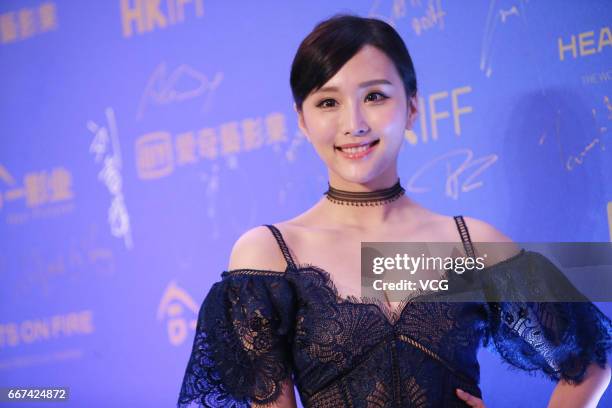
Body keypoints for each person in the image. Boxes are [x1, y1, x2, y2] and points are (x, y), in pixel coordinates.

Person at [177, 14, 612, 407]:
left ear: (412, 106)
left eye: (375, 96)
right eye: (328, 102)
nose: (354, 123)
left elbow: (588, 365)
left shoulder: (471, 245)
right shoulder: (270, 256)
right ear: (303, 120)